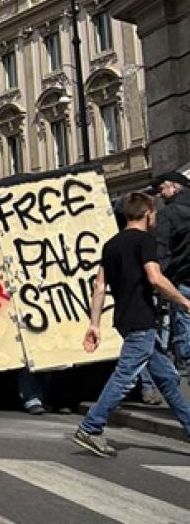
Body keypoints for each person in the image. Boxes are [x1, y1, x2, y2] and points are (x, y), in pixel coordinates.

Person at [75, 192, 190, 457]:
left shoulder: (111, 244)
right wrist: (183, 302)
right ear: (148, 214)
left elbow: (99, 285)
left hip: (125, 319)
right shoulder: (144, 241)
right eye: (155, 215)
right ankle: (91, 427)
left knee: (167, 379)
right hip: (141, 320)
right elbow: (155, 277)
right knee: (125, 376)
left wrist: (94, 324)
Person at [152, 171, 190, 366]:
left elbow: (162, 252)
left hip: (182, 282)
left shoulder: (167, 214)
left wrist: (160, 280)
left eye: (161, 189)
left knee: (187, 338)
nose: (159, 195)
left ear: (174, 186)